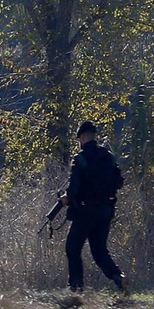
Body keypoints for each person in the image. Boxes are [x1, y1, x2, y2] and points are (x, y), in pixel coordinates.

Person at [62, 120, 128, 294]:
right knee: (99, 251)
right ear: (95, 136)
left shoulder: (80, 159)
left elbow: (74, 188)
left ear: (82, 137)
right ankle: (118, 277)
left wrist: (66, 198)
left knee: (72, 248)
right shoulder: (108, 156)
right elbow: (119, 182)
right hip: (105, 211)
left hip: (85, 211)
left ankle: (76, 288)